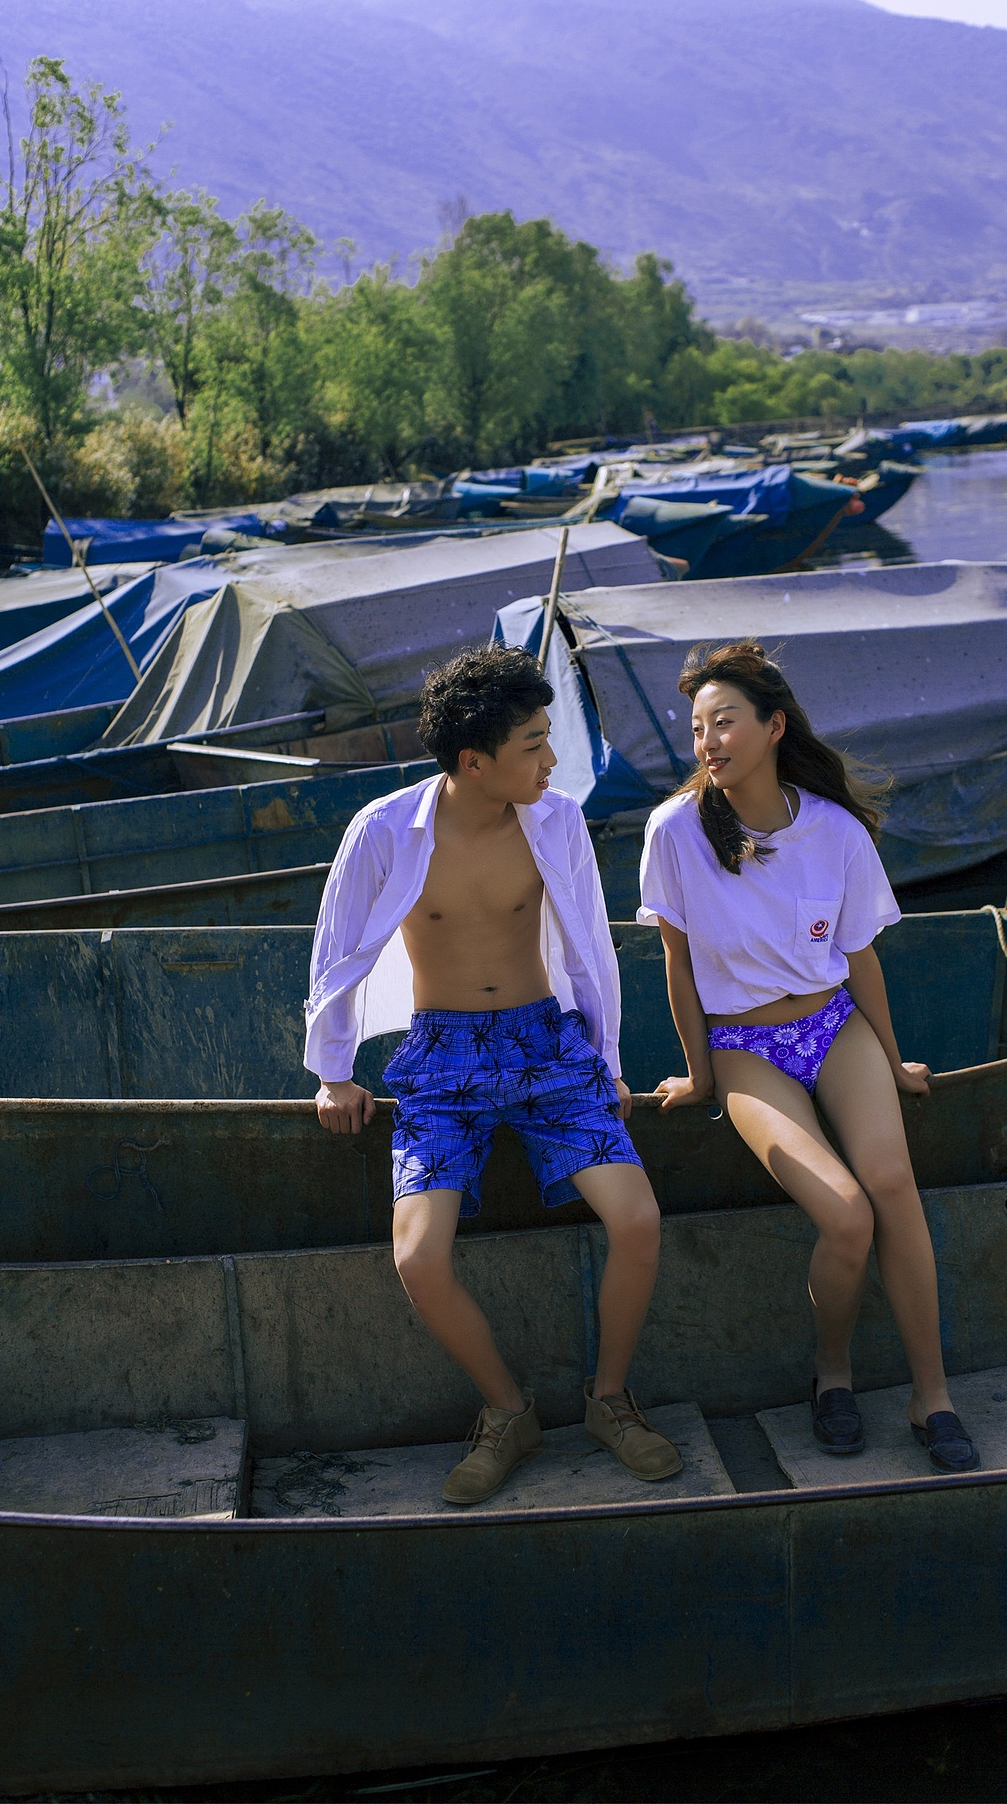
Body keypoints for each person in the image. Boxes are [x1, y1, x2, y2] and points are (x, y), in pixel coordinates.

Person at [308, 644, 681, 1504]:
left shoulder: (556, 822)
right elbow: (337, 953)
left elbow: (591, 949)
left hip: (547, 1049)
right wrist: (334, 1073)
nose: (552, 762)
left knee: (638, 1220)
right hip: (441, 1061)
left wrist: (607, 1062)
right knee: (418, 1257)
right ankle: (508, 1412)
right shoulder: (383, 830)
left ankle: (611, 1400)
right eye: (535, 746)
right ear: (475, 760)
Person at [640, 639, 979, 1472]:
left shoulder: (834, 832)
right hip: (746, 1044)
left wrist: (894, 1061)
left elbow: (861, 960)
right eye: (696, 728)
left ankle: (932, 1396)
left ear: (774, 726)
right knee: (845, 1213)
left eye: (724, 722)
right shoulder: (676, 832)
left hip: (833, 1026)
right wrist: (700, 1071)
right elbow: (679, 967)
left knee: (892, 1185)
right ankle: (834, 1373)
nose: (708, 741)